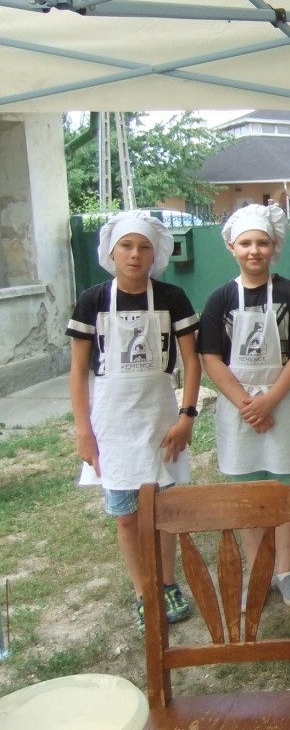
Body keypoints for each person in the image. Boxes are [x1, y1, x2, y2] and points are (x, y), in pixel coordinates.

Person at [67, 211, 200, 632]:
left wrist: (187, 415)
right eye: (126, 246)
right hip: (112, 423)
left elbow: (192, 361)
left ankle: (167, 583)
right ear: (111, 252)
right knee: (126, 515)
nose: (135, 254)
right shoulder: (92, 300)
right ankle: (144, 592)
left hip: (160, 419)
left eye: (144, 247)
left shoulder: (173, 297)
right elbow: (78, 371)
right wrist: (84, 431)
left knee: (162, 509)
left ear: (155, 253)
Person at [198, 204, 290, 608]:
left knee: (282, 490)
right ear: (232, 247)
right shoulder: (220, 298)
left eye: (262, 243)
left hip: (282, 403)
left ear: (274, 247)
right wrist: (246, 404)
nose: (255, 250)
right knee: (247, 492)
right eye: (246, 243)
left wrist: (270, 400)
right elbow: (211, 357)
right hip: (238, 410)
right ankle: (258, 570)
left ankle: (284, 569)